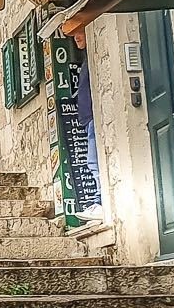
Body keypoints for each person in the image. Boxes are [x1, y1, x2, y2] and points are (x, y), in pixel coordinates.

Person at [73, 31, 103, 222]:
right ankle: (99, 202)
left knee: (94, 162)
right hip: (88, 118)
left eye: (80, 31)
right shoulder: (87, 58)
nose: (76, 36)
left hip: (93, 116)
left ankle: (100, 203)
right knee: (93, 161)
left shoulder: (94, 56)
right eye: (73, 34)